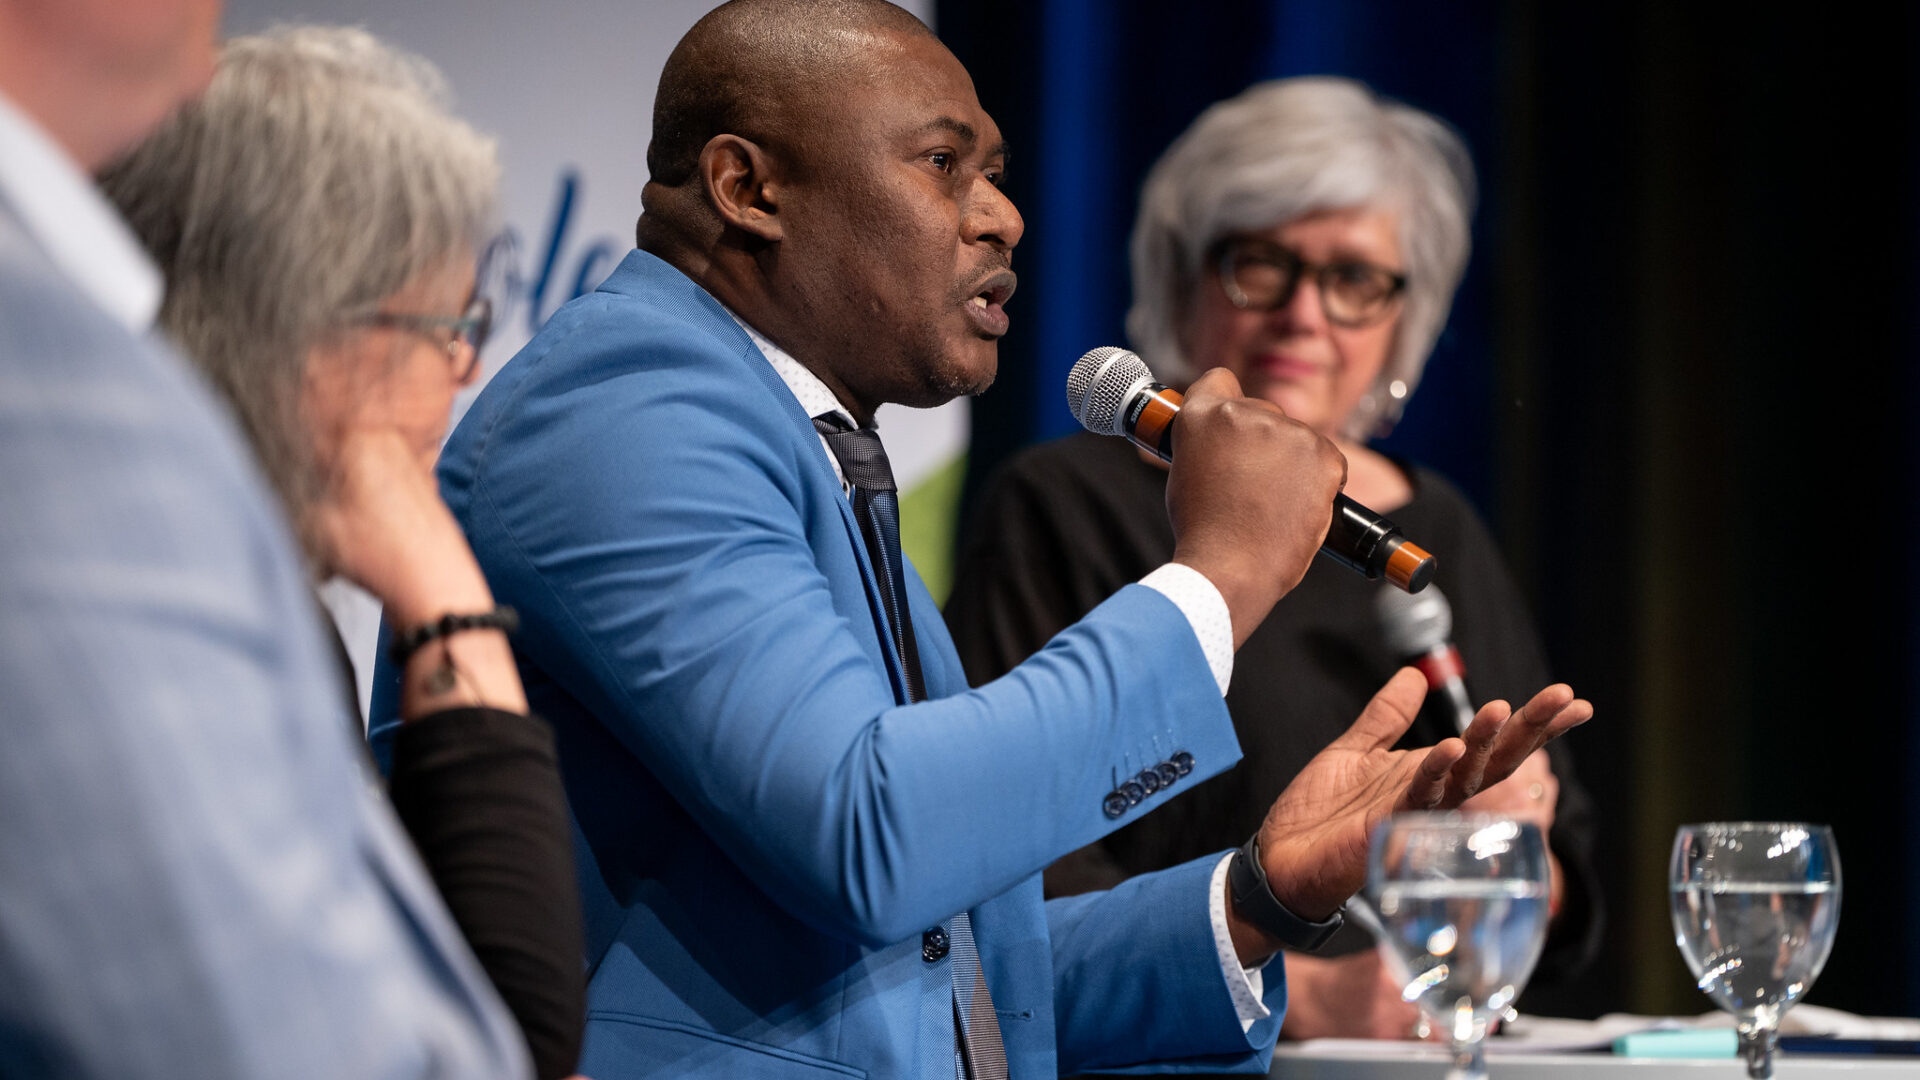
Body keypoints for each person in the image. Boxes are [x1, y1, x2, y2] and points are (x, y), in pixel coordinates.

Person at [370, 4, 1590, 1076]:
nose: (1003, 216)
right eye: (945, 165)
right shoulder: (627, 406)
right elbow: (871, 835)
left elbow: (955, 970)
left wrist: (1261, 891)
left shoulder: (807, 442)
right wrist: (1217, 578)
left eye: (998, 172)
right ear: (749, 190)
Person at [946, 77, 1603, 1041]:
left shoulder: (1437, 527)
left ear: (1400, 325)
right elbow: (1007, 870)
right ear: (1181, 285)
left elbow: (1573, 887)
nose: (1306, 313)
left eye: (1354, 280)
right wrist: (1305, 997)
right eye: (1262, 265)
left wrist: (1522, 849)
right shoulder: (1065, 505)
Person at [0, 3, 533, 1076]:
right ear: (315, 330)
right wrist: (443, 592)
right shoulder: (53, 395)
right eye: (450, 328)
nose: (468, 370)